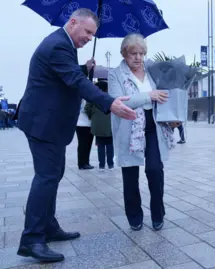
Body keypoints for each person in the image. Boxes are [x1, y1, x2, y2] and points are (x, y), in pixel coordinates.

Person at [15, 9, 136, 263]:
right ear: (72, 23)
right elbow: (74, 80)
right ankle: (32, 240)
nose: (89, 38)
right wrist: (110, 102)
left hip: (49, 122)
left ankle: (48, 226)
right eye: (87, 32)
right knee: (46, 177)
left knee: (54, 174)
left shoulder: (62, 45)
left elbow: (66, 73)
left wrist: (83, 66)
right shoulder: (58, 45)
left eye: (93, 34)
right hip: (43, 123)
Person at [108, 33, 169, 232]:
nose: (138, 57)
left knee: (154, 170)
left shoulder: (152, 71)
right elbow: (119, 101)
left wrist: (174, 114)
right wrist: (148, 96)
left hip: (153, 125)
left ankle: (158, 213)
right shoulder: (115, 74)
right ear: (124, 54)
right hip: (129, 125)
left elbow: (165, 94)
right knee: (130, 174)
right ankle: (134, 216)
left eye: (141, 53)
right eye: (133, 53)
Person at [85, 80, 114, 170]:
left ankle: (101, 165)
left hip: (97, 125)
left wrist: (92, 116)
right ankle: (110, 164)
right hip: (110, 124)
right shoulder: (111, 97)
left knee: (100, 145)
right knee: (110, 145)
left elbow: (87, 108)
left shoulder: (93, 96)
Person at [76, 99, 94, 170]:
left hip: (87, 124)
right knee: (83, 144)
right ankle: (82, 164)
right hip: (82, 124)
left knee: (87, 144)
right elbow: (86, 110)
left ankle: (86, 162)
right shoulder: (82, 101)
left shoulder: (87, 99)